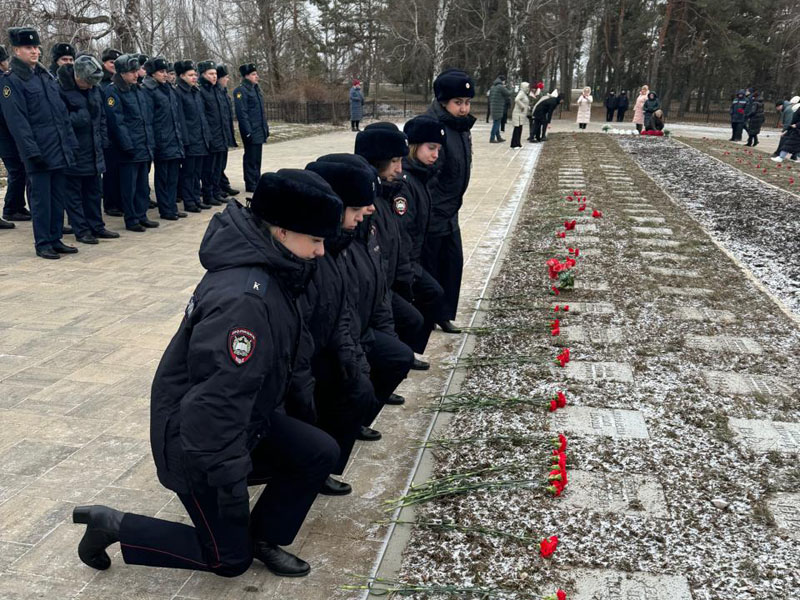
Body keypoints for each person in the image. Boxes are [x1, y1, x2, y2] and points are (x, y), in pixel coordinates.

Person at [72, 170, 344, 578]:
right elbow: (214, 406)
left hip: (240, 422)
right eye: (317, 240)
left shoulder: (273, 269)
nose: (322, 252)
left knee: (318, 452)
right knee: (227, 561)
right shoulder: (245, 301)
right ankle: (111, 524)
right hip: (196, 445)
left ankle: (260, 536)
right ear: (283, 232)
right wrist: (230, 486)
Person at [314, 153, 413, 438]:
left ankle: (358, 417)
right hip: (337, 342)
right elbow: (336, 311)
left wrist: (383, 332)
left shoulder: (359, 232)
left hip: (360, 329)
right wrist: (356, 363)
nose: (369, 210)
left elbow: (378, 284)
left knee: (396, 358)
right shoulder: (327, 248)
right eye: (358, 206)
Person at [303, 156, 381, 491]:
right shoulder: (318, 252)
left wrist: (352, 356)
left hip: (335, 342)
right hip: (308, 358)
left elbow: (343, 306)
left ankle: (322, 464)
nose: (365, 213)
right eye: (355, 209)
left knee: (358, 386)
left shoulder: (337, 245)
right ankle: (316, 467)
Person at [1, 27, 79, 259]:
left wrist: (70, 142)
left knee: (57, 198)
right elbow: (18, 122)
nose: (34, 51)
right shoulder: (11, 81)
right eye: (28, 47)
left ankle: (55, 239)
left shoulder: (44, 76)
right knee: (41, 200)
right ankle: (43, 242)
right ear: (16, 50)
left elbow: (61, 114)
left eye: (36, 47)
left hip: (58, 148)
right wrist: (32, 152)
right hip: (39, 151)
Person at [355, 123, 426, 371]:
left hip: (390, 280)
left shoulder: (388, 193)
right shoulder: (367, 202)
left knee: (411, 321)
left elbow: (399, 238)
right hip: (373, 289)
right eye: (394, 160)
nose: (399, 168)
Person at [423, 68, 476, 334]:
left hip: (451, 209)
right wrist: (430, 207)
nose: (464, 108)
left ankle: (443, 313)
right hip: (433, 211)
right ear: (444, 102)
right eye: (458, 103)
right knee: (430, 266)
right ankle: (427, 316)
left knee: (452, 264)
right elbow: (428, 172)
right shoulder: (433, 127)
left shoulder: (461, 128)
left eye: (467, 102)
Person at [57, 54, 120, 244]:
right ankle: (81, 230)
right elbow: (60, 120)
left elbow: (101, 116)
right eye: (88, 82)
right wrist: (80, 117)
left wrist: (102, 138)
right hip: (74, 150)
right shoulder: (61, 90)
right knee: (74, 195)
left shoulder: (95, 89)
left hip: (94, 149)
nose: (91, 86)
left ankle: (97, 226)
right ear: (78, 77)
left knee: (93, 192)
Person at [399, 115, 447, 354]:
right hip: (404, 262)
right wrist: (409, 268)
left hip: (415, 256)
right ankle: (407, 351)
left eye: (438, 149)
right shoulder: (407, 180)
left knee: (431, 296)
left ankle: (410, 351)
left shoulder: (422, 175)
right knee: (430, 295)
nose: (436, 154)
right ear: (414, 146)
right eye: (431, 148)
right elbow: (403, 229)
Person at [104, 53, 158, 232]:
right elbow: (117, 122)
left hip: (143, 145)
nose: (136, 75)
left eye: (136, 71)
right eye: (132, 72)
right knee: (129, 187)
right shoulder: (113, 91)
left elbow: (145, 119)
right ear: (121, 73)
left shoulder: (139, 90)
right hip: (128, 149)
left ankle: (142, 215)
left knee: (143, 185)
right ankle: (131, 218)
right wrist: (127, 145)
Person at [142, 56, 186, 220]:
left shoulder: (169, 89)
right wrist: (154, 142)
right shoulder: (148, 90)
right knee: (163, 177)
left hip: (173, 138)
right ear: (153, 74)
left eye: (166, 71)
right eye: (161, 72)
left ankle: (172, 206)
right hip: (161, 139)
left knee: (173, 177)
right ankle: (165, 209)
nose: (165, 74)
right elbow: (149, 118)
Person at [174, 60, 211, 213]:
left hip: (200, 138)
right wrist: (185, 140)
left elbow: (201, 116)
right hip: (190, 139)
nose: (194, 77)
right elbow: (181, 119)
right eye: (190, 75)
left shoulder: (195, 91)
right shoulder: (179, 93)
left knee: (197, 172)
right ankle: (189, 201)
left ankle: (196, 198)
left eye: (195, 75)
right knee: (189, 172)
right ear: (182, 76)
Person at [0, 43, 29, 228]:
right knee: (18, 170)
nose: (7, 63)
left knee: (19, 170)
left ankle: (17, 205)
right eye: (4, 60)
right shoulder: (4, 81)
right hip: (5, 135)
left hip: (6, 135)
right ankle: (11, 208)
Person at [234, 63, 269, 193]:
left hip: (259, 129)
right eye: (253, 74)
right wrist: (247, 131)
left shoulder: (255, 89)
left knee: (257, 157)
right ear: (246, 76)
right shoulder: (241, 90)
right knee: (250, 157)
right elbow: (242, 113)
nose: (257, 76)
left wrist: (265, 128)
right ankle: (250, 182)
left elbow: (260, 112)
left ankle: (256, 179)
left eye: (256, 74)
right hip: (251, 130)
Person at [197, 60, 227, 206]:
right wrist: (208, 136)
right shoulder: (201, 91)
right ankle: (208, 194)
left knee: (218, 168)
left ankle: (216, 192)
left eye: (215, 73)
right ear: (203, 74)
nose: (214, 76)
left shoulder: (217, 89)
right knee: (208, 169)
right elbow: (203, 116)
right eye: (211, 74)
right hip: (211, 136)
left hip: (220, 135)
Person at [99, 48, 123, 217]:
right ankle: (110, 204)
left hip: (120, 133)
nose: (114, 66)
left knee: (120, 171)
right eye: (111, 63)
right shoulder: (101, 83)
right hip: (107, 133)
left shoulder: (120, 82)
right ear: (104, 63)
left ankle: (119, 200)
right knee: (110, 172)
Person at [215, 64, 239, 197]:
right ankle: (219, 186)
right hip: (217, 134)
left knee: (222, 162)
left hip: (225, 132)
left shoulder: (223, 92)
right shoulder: (217, 92)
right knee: (216, 164)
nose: (227, 80)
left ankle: (223, 185)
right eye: (225, 77)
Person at [771, 98, 800, 163]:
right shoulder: (794, 109)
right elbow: (793, 120)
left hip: (797, 130)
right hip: (795, 130)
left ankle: (781, 157)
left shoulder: (792, 109)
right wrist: (786, 130)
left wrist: (797, 125)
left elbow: (794, 121)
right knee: (793, 145)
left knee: (788, 144)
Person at [488, 75, 510, 143]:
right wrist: (511, 88)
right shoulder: (501, 87)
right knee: (496, 123)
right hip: (498, 108)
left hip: (493, 107)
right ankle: (492, 138)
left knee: (496, 122)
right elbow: (508, 93)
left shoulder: (492, 87)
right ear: (502, 81)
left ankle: (498, 137)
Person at [510, 81, 530, 148]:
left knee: (519, 129)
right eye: (527, 87)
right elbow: (516, 99)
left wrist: (527, 106)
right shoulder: (521, 93)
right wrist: (522, 106)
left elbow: (524, 101)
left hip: (521, 114)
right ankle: (514, 143)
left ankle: (518, 142)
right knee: (517, 129)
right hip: (518, 114)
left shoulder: (524, 94)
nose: (528, 88)